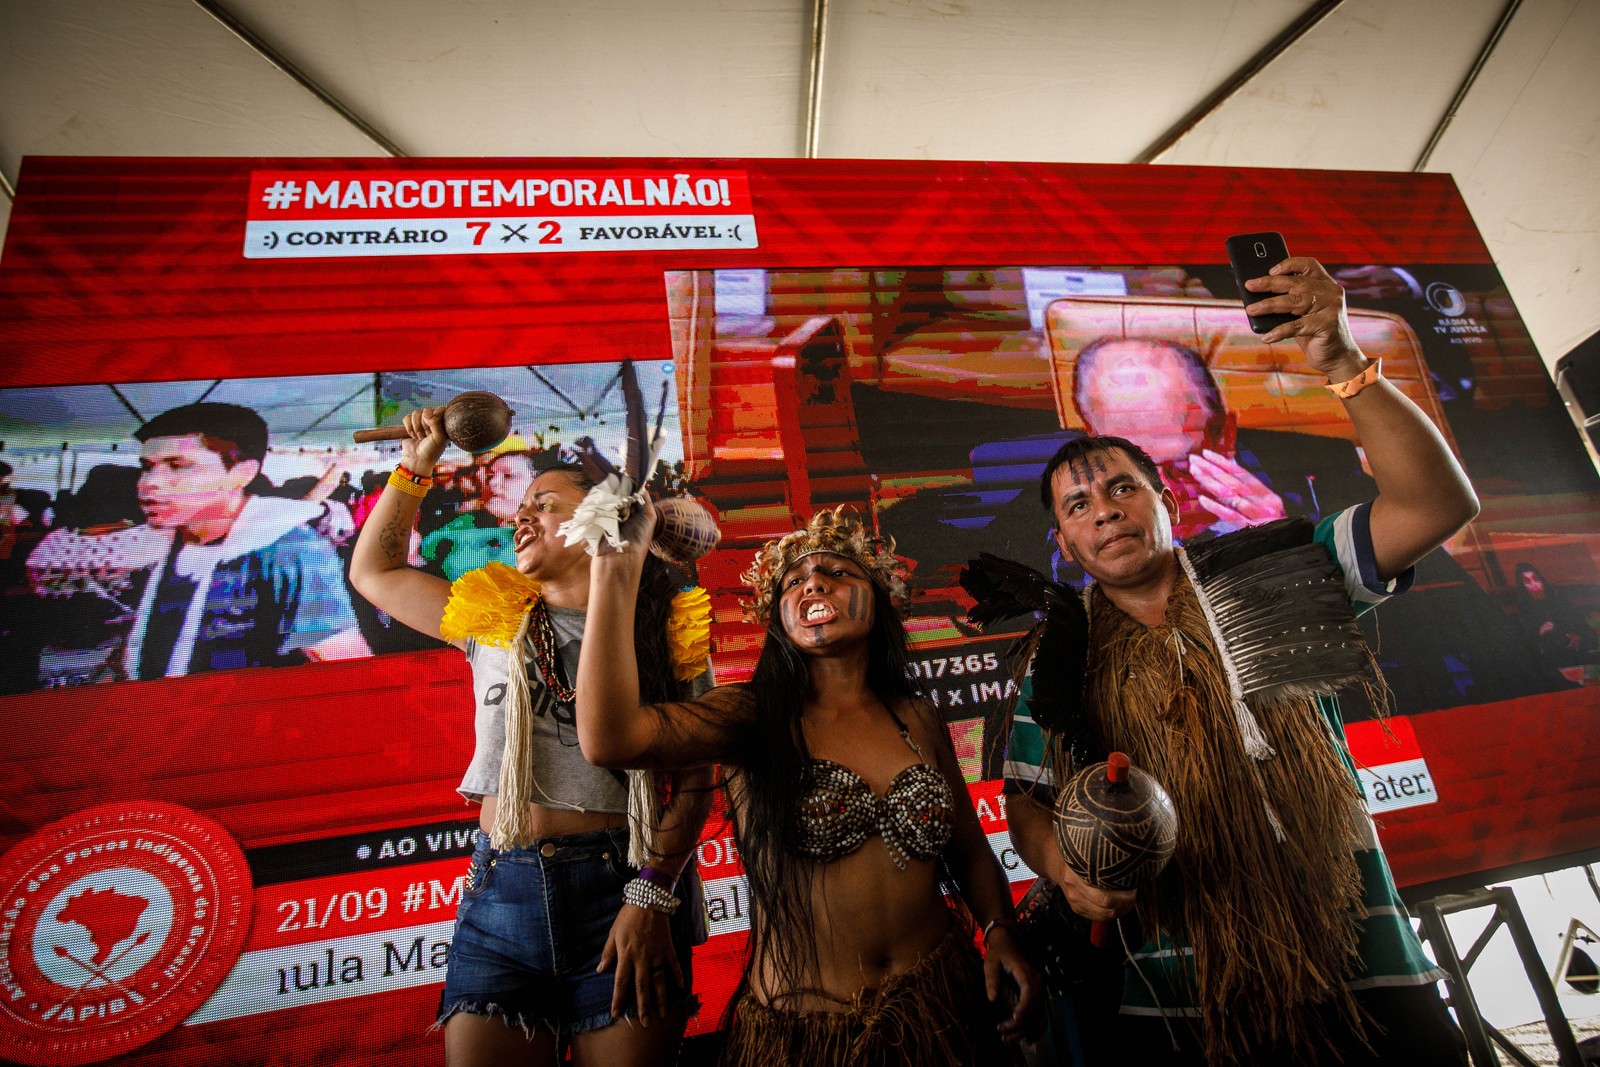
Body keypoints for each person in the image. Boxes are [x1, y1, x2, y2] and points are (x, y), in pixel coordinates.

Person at [1000, 258, 1477, 1065]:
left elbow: (1437, 504)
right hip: (1181, 996)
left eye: (1122, 488)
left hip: (1362, 965)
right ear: (1064, 541)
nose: (1104, 510)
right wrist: (1069, 873)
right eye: (1078, 504)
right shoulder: (1061, 658)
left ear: (1169, 502)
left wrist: (1340, 361)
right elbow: (1028, 801)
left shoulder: (1273, 572)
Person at [574, 505, 1043, 1065]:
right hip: (806, 1034)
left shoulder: (916, 717)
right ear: (777, 618)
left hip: (943, 1008)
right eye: (793, 581)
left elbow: (968, 850)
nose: (813, 582)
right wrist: (613, 567)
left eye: (839, 573)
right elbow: (611, 739)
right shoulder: (750, 716)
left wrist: (999, 931)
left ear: (882, 596)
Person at [348, 406, 714, 1067]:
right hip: (500, 894)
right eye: (521, 505)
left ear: (604, 516)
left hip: (623, 888)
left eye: (544, 504)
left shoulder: (664, 626)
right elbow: (375, 572)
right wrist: (418, 462)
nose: (520, 517)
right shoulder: (492, 616)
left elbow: (693, 782)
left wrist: (651, 895)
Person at [122, 401, 370, 678]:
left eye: (177, 466)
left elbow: (347, 664)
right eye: (147, 467)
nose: (150, 483)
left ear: (242, 473)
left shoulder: (289, 549)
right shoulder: (167, 546)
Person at [1512, 562, 1596, 667]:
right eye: (1527, 581)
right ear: (1522, 585)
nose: (1533, 583)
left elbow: (1577, 621)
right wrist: (1541, 631)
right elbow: (1529, 637)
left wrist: (1576, 636)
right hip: (1553, 652)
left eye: (1535, 579)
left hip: (1578, 645)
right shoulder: (1524, 607)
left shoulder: (1557, 598)